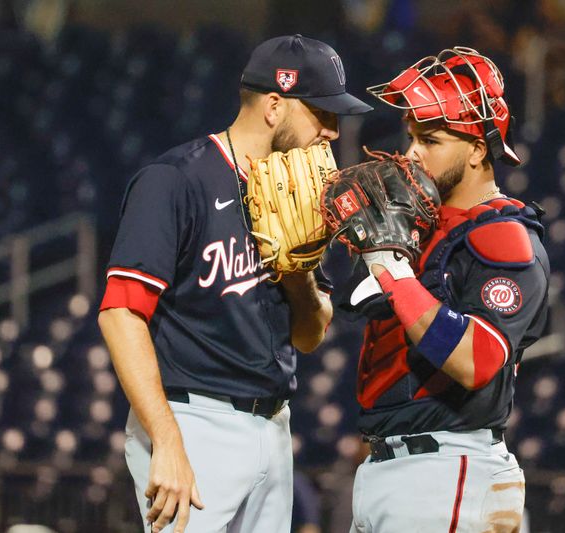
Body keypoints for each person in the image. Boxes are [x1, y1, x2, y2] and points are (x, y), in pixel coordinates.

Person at [97, 34, 372, 533]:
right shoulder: (176, 180)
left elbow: (310, 336)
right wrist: (169, 441)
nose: (332, 131)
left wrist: (299, 271)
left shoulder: (303, 193)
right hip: (194, 421)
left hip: (273, 424)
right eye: (322, 113)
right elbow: (120, 313)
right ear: (274, 106)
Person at [345, 47, 550, 532]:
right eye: (412, 135)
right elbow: (355, 308)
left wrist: (393, 271)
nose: (413, 151)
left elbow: (476, 361)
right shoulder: (421, 224)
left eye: (432, 138)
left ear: (479, 148)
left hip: (448, 471)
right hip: (393, 470)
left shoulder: (502, 235)